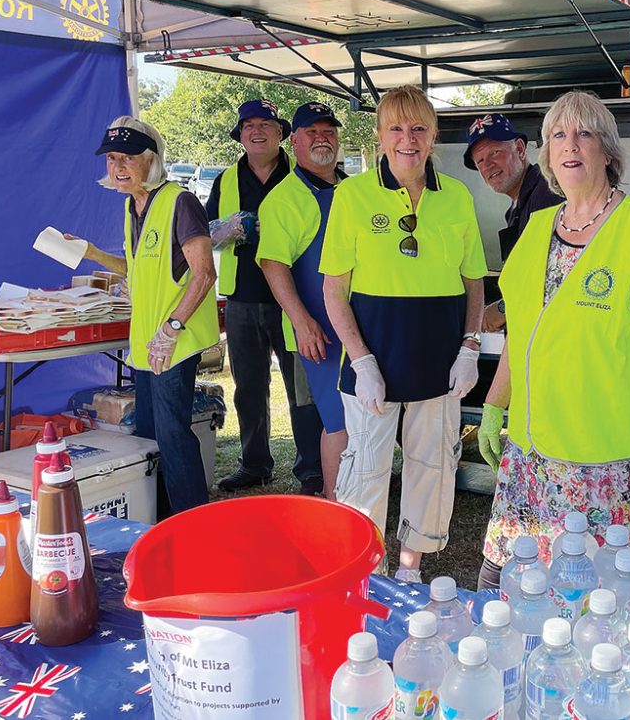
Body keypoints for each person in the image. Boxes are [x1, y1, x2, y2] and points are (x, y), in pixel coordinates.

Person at [475, 91, 630, 589]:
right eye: (558, 135)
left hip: (605, 462)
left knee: (595, 599)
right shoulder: (533, 228)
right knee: (509, 588)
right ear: (547, 155)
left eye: (584, 133)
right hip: (530, 457)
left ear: (607, 152)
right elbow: (522, 332)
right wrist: (494, 407)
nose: (570, 144)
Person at [320, 85, 487, 583]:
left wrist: (470, 347)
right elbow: (334, 290)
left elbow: (473, 281)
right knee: (365, 468)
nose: (407, 139)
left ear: (434, 136)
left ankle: (411, 568)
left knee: (432, 465)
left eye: (418, 128)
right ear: (379, 135)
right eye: (396, 127)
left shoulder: (456, 196)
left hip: (439, 361)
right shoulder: (351, 195)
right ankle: (368, 569)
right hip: (374, 362)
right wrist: (362, 362)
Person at [73, 117, 218, 515]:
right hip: (147, 343)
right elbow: (137, 270)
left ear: (150, 160)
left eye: (127, 159)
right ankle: (164, 518)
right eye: (111, 159)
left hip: (175, 339)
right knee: (151, 434)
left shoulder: (179, 201)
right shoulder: (132, 205)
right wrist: (93, 254)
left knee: (172, 435)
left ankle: (192, 522)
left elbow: (204, 273)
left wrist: (171, 328)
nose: (117, 167)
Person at [207, 99, 325, 494]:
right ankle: (254, 463)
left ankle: (311, 466)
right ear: (240, 134)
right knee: (249, 388)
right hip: (243, 297)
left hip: (294, 296)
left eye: (266, 125)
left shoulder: (303, 173)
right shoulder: (225, 179)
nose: (256, 131)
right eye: (248, 125)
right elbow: (205, 234)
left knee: (302, 387)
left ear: (281, 134)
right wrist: (229, 230)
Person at [255, 102, 348, 500]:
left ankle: (359, 496)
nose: (322, 138)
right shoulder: (284, 199)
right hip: (320, 332)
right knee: (338, 421)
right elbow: (273, 265)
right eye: (312, 132)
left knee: (363, 417)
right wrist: (301, 321)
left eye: (329, 131)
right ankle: (335, 503)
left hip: (359, 325)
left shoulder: (353, 189)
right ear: (294, 141)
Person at [462, 113, 563, 332]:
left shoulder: (547, 197)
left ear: (519, 148)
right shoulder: (517, 207)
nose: (488, 166)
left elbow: (554, 277)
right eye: (480, 161)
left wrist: (501, 309)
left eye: (495, 153)